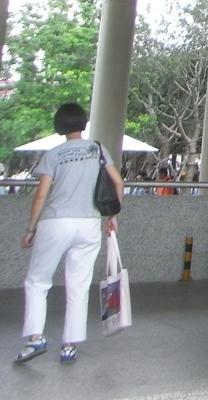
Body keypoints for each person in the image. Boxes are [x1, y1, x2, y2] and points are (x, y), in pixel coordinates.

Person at [15, 102, 123, 365]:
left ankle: (36, 338)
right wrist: (113, 217)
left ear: (60, 125)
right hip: (89, 224)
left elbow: (41, 195)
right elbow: (118, 182)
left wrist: (31, 228)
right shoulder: (98, 149)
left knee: (38, 281)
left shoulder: (53, 154)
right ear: (83, 123)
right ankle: (69, 346)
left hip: (55, 222)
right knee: (79, 286)